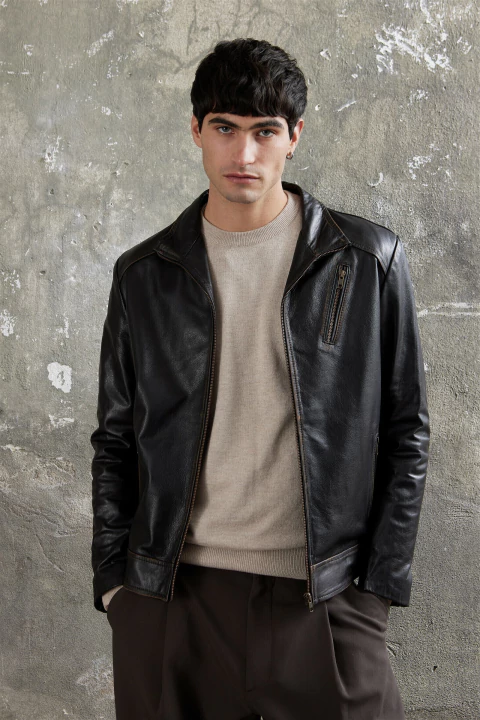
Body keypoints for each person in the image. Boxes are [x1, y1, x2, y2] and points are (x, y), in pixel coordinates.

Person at [90, 38, 430, 720]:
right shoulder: (144, 275)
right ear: (196, 130)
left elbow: (406, 431)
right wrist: (115, 586)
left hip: (325, 599)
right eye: (225, 128)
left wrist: (376, 587)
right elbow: (116, 439)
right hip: (172, 600)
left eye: (265, 132)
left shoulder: (367, 260)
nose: (244, 154)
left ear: (294, 136)